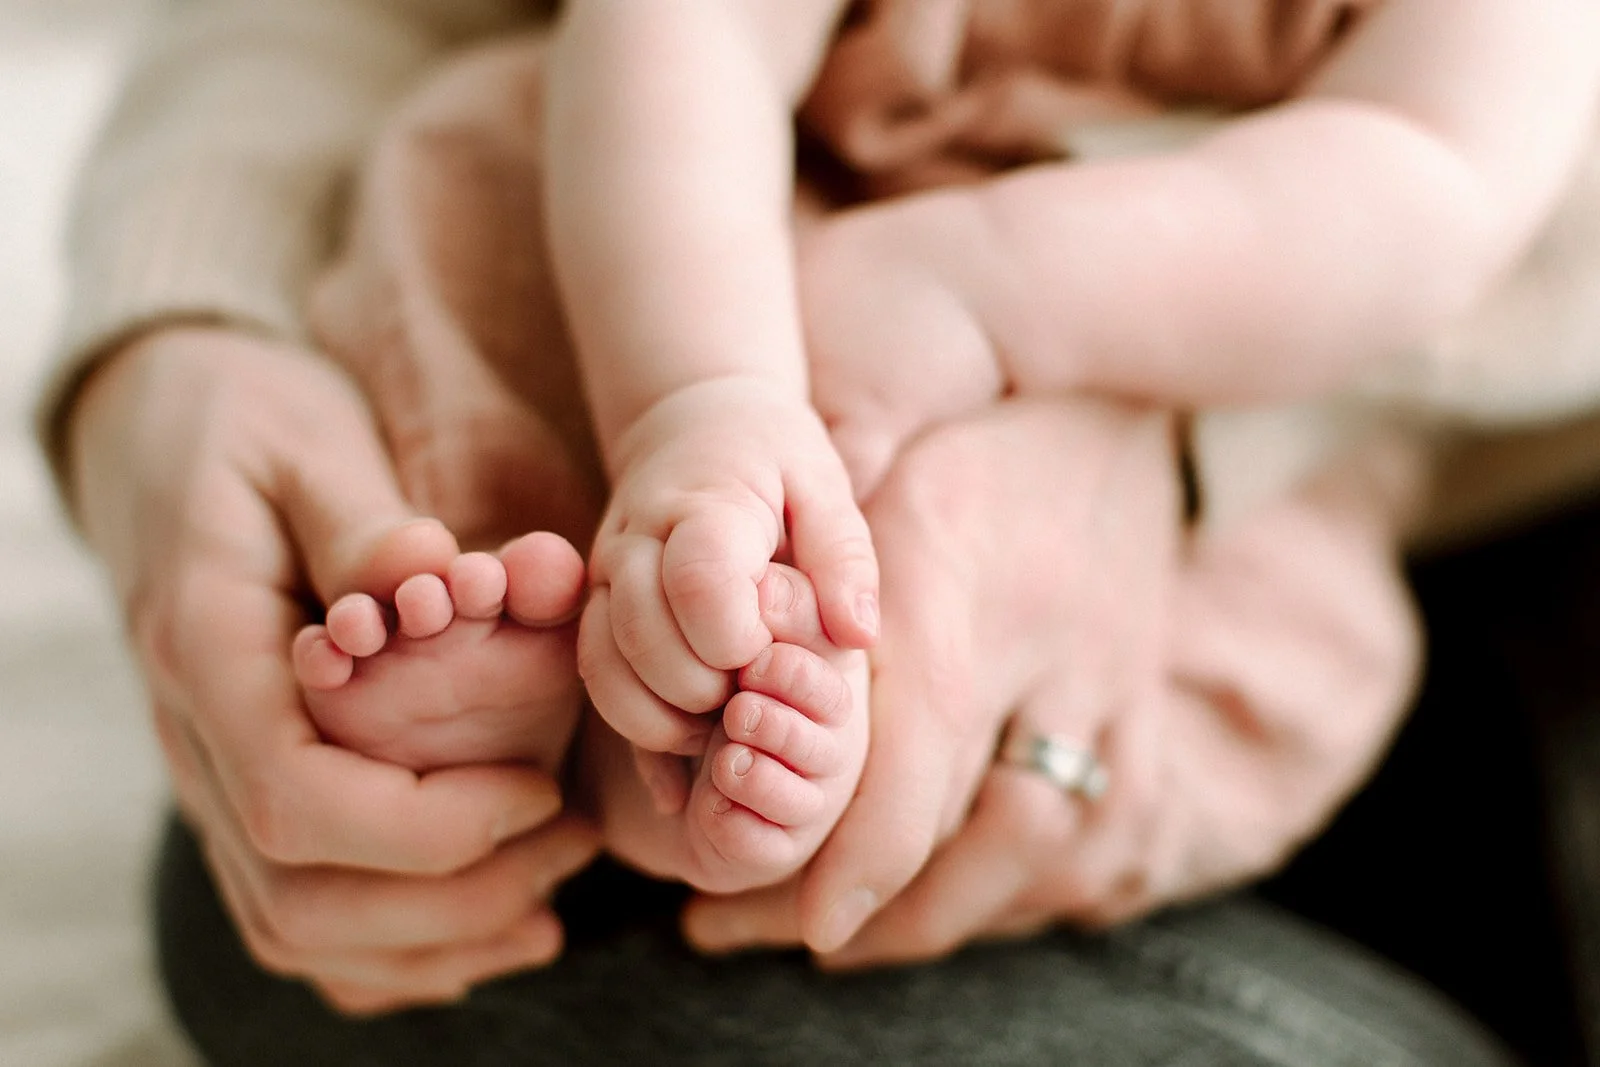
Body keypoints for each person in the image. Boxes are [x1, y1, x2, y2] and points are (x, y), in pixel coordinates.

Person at [36, 0, 1600, 1061]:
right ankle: (565, 667)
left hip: (1247, 335)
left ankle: (718, 778)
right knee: (484, 190)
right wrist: (702, 401)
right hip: (722, 242)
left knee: (1284, 636)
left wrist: (1000, 296)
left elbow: (1434, 186)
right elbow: (681, 34)